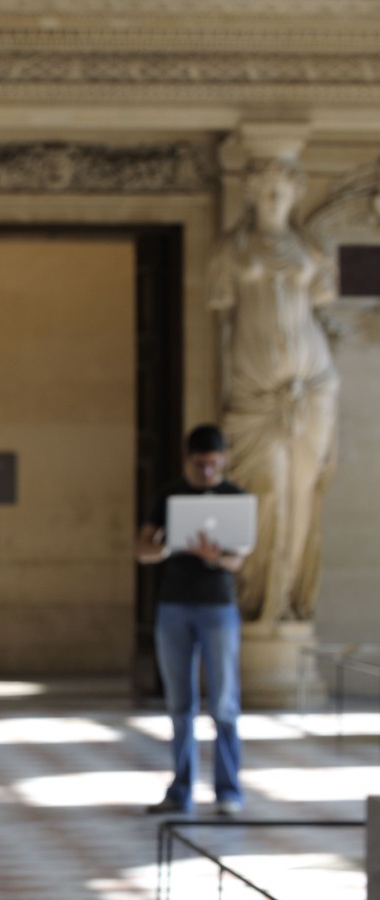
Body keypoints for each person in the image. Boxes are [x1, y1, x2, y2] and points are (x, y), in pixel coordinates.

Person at [209, 156, 339, 625]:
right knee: (266, 491)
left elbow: (325, 308)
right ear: (249, 195)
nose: (273, 200)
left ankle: (287, 603)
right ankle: (257, 600)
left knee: (301, 492)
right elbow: (220, 322)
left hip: (313, 386)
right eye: (264, 191)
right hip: (253, 391)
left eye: (282, 193)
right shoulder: (232, 248)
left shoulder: (310, 247)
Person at [138, 424, 249, 817]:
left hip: (218, 607)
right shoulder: (169, 494)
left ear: (224, 459)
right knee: (180, 703)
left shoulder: (235, 497)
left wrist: (213, 557)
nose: (206, 471)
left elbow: (238, 559)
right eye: (200, 464)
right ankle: (181, 789)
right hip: (175, 607)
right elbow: (142, 549)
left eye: (213, 464)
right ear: (189, 458)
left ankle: (228, 791)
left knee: (223, 702)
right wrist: (171, 544)